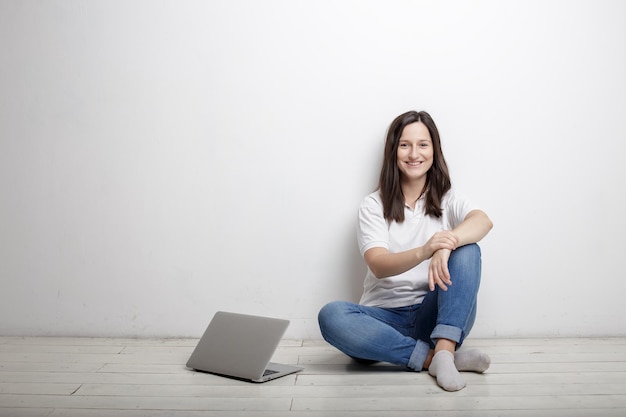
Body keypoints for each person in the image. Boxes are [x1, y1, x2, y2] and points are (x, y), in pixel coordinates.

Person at [318, 110, 493, 391]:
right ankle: (437, 359)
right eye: (404, 145)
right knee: (331, 315)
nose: (414, 154)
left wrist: (445, 246)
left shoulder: (449, 199)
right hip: (381, 322)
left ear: (434, 150)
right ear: (393, 151)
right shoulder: (373, 205)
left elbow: (483, 221)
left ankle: (444, 350)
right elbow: (378, 263)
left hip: (433, 316)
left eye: (423, 144)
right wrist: (426, 250)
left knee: (468, 249)